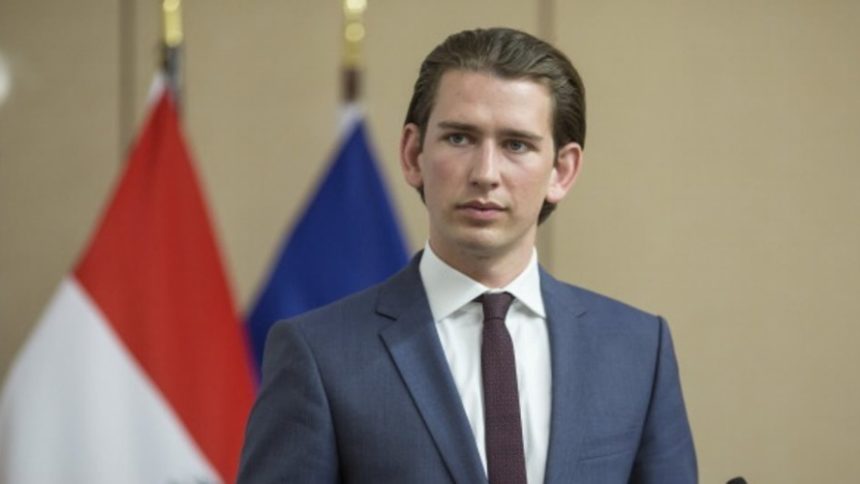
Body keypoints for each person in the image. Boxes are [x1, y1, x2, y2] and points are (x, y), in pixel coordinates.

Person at [238, 27, 697, 484]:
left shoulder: (638, 350)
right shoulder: (319, 353)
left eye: (516, 144)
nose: (485, 173)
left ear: (562, 170)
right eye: (460, 138)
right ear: (413, 154)